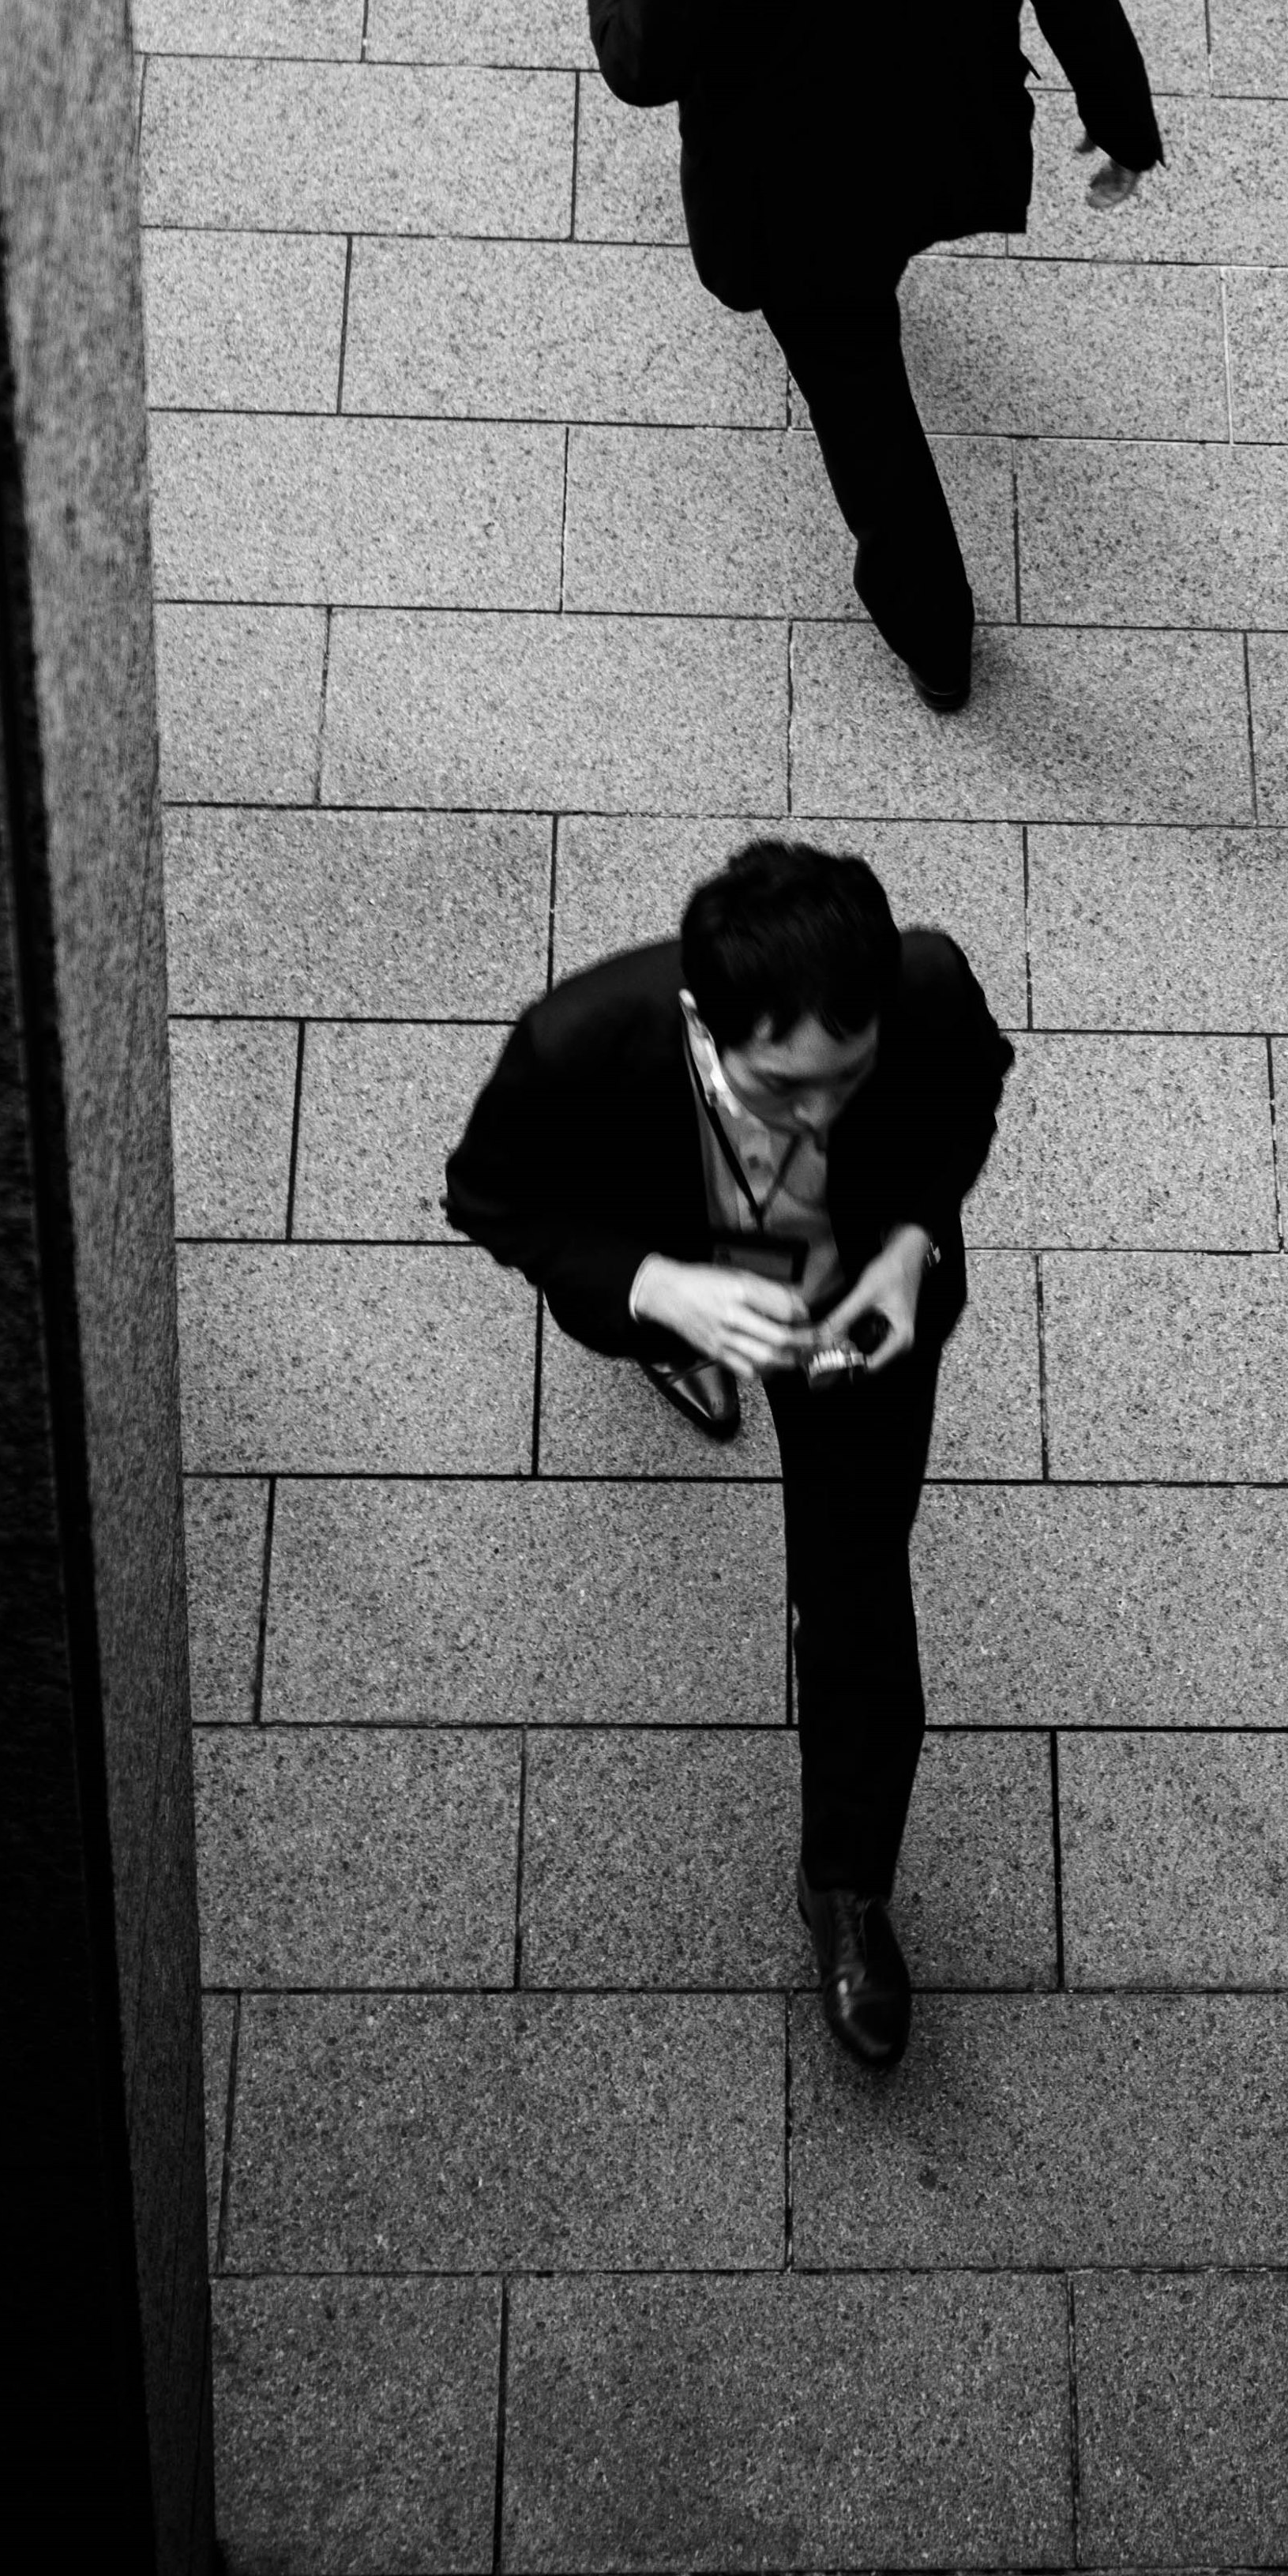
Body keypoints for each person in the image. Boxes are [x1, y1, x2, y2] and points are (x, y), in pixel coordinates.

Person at [444, 837, 1012, 2066]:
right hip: (682, 1265)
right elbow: (490, 1198)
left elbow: (969, 1090)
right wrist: (659, 1288)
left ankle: (848, 1886)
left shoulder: (924, 988)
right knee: (659, 1317)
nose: (822, 1114)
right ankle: (681, 1345)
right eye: (783, 1089)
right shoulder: (580, 1041)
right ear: (706, 1024)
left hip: (857, 1320)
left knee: (859, 1598)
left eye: (846, 1082)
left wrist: (914, 1239)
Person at [584, 0, 1162, 710]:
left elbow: (644, 69)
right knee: (871, 294)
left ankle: (935, 638)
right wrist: (1123, 135)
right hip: (941, 160)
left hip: (794, 207)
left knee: (859, 389)